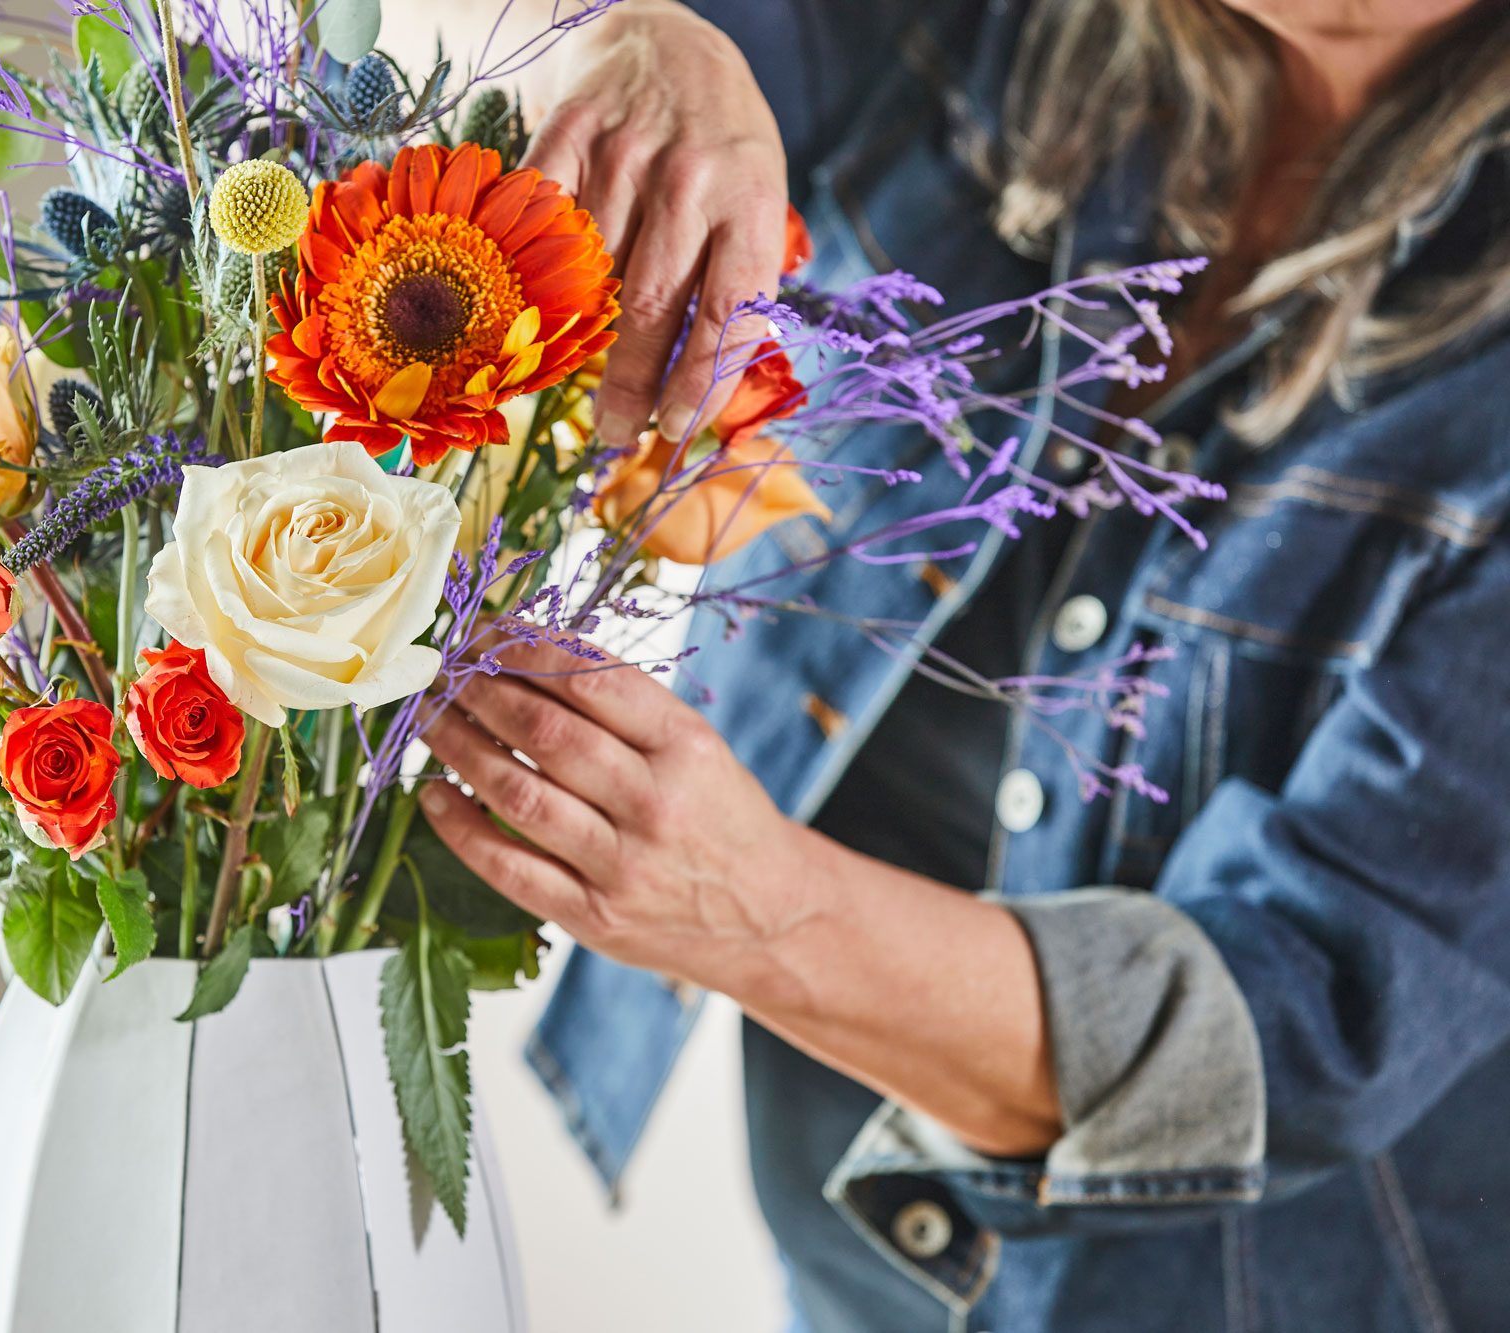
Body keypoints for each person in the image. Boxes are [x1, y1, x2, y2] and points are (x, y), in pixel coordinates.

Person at [389, 0, 1510, 1327]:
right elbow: (414, 72)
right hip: (846, 1258)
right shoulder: (969, 31)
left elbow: (1299, 1020)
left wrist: (758, 911)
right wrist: (632, 45)